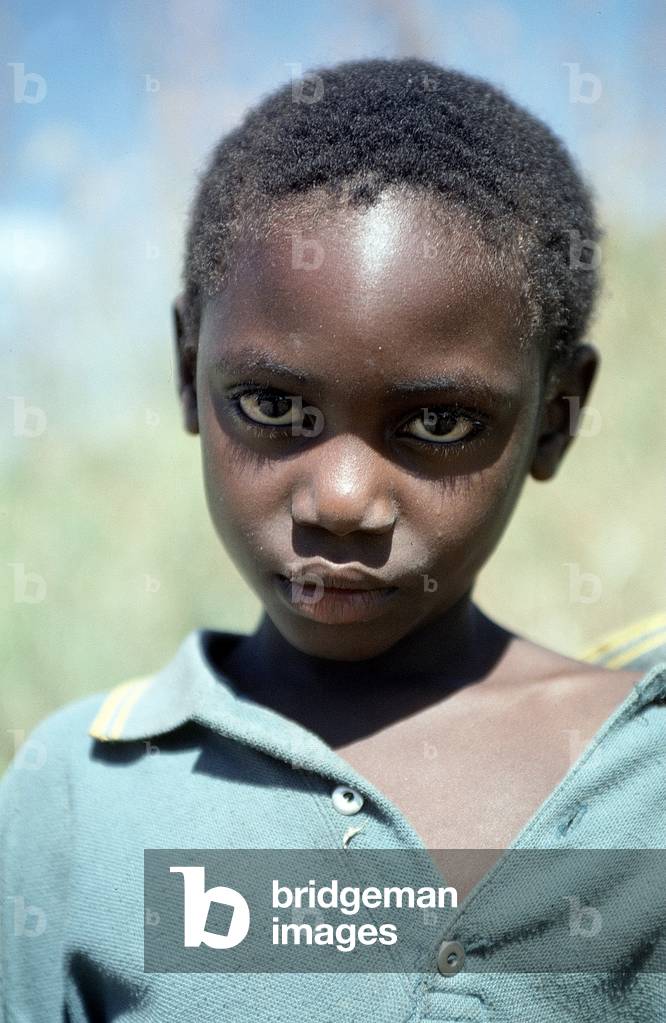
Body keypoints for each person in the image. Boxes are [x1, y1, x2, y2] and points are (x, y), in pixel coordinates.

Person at [1, 57, 664, 1021]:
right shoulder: (84, 792)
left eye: (438, 423)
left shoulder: (642, 773)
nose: (344, 502)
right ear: (189, 371)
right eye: (271, 403)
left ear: (556, 420)